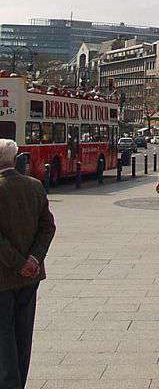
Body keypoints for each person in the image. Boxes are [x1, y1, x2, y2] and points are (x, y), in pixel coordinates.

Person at [0, 139, 56, 389]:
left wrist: (18, 262)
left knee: (4, 338)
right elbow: (48, 227)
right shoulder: (35, 186)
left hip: (3, 277)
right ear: (15, 160)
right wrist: (34, 259)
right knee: (23, 336)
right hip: (30, 276)